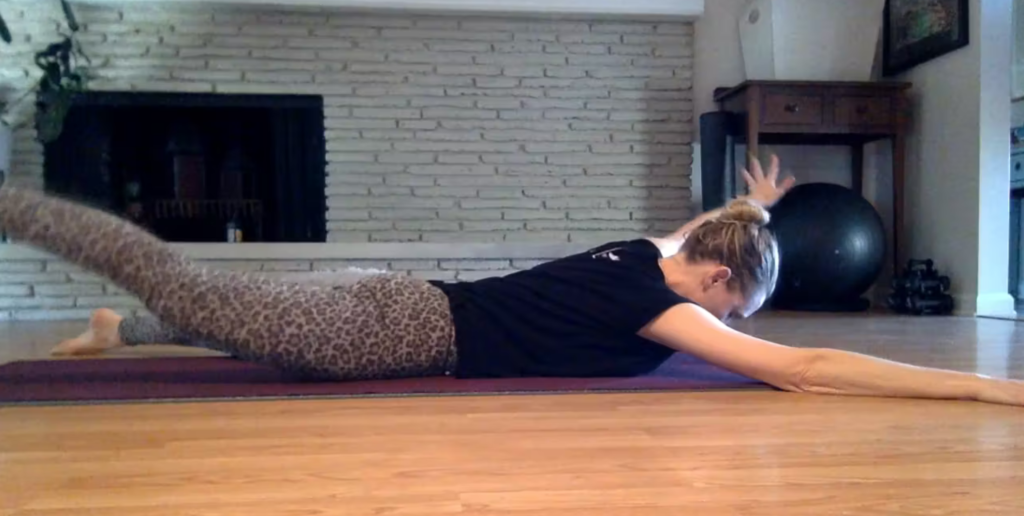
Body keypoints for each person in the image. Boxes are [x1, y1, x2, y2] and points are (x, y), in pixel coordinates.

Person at [1, 156, 1021, 407]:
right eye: (732, 308)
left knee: (253, 325)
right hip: (401, 334)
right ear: (712, 281)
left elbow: (708, 230)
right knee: (191, 289)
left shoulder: (643, 251)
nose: (729, 326)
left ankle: (114, 333)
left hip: (399, 296)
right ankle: (23, 209)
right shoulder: (658, 301)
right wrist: (979, 387)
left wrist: (757, 207)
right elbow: (800, 367)